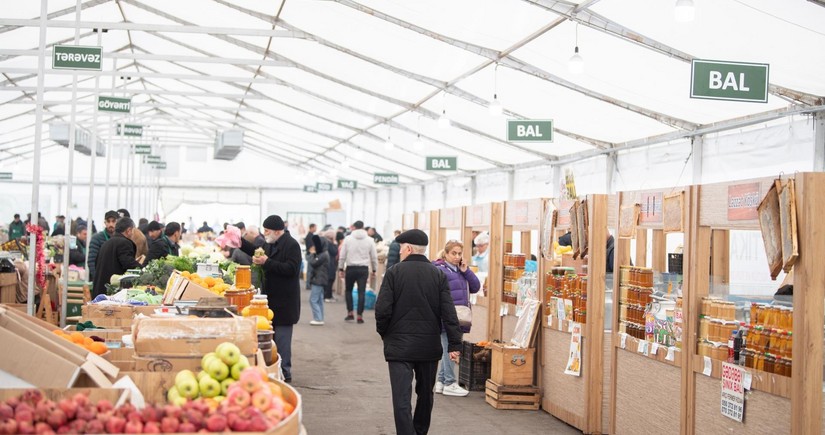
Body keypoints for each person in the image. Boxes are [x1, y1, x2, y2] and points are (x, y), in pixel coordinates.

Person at [375, 229, 463, 435]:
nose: (399, 253)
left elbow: (382, 310)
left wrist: (385, 334)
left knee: (401, 398)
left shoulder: (394, 273)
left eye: (400, 249)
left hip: (399, 347)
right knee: (426, 395)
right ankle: (420, 431)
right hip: (428, 347)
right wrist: (454, 344)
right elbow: (449, 312)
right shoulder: (438, 274)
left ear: (407, 248)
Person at [238, 215, 301, 383]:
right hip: (270, 299)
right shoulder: (269, 243)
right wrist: (239, 241)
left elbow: (291, 269)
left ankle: (285, 372)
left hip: (285, 300)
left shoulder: (292, 245)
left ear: (277, 231)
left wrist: (267, 262)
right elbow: (256, 251)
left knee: (282, 339)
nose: (264, 233)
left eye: (267, 230)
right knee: (269, 340)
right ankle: (271, 370)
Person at [431, 240, 480, 397]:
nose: (457, 256)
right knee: (450, 348)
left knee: (448, 347)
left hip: (459, 315)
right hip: (447, 316)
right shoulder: (440, 270)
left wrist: (466, 271)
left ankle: (441, 381)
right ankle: (450, 382)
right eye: (454, 253)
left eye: (460, 253)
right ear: (446, 254)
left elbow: (475, 287)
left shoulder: (460, 270)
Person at [338, 220, 378, 324]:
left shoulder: (348, 239)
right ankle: (360, 316)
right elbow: (374, 257)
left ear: (354, 227)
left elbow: (342, 256)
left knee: (348, 291)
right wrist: (374, 270)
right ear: (363, 227)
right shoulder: (370, 240)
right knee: (361, 292)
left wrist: (341, 268)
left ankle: (350, 313)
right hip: (363, 269)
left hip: (350, 268)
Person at [92, 217, 143, 297]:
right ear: (129, 230)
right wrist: (143, 269)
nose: (133, 234)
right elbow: (128, 264)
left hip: (99, 291)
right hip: (111, 293)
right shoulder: (124, 243)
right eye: (133, 231)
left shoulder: (106, 243)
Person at [88, 210, 119, 284]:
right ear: (105, 223)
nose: (111, 224)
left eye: (113, 221)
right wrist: (97, 277)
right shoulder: (97, 238)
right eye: (108, 221)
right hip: (101, 279)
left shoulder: (120, 239)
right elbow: (91, 260)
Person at [307, 234, 329, 326]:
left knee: (313, 299)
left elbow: (313, 262)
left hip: (318, 279)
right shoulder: (324, 253)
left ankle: (318, 318)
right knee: (319, 299)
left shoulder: (323, 255)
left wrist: (312, 253)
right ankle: (320, 318)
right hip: (321, 279)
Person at [322, 229, 338, 302]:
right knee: (330, 280)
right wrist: (335, 244)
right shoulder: (329, 243)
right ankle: (327, 296)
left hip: (327, 263)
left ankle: (329, 295)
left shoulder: (324, 242)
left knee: (329, 280)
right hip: (330, 264)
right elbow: (334, 252)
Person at [304, 223, 317, 290]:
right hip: (310, 254)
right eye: (315, 227)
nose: (316, 228)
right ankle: (308, 285)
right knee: (310, 270)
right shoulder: (310, 236)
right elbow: (310, 247)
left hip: (310, 254)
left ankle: (309, 284)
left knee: (311, 270)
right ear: (311, 227)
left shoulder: (311, 235)